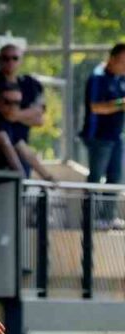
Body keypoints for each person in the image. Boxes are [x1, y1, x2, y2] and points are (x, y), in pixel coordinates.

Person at [0, 83, 55, 180]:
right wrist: (21, 179)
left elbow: (22, 147)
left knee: (24, 165)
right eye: (7, 102)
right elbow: (5, 143)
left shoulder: (9, 117)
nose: (12, 107)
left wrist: (48, 177)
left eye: (17, 103)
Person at [80, 44, 125, 228]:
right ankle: (90, 220)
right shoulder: (98, 77)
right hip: (98, 137)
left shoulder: (120, 78)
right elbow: (96, 107)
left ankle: (107, 218)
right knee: (96, 177)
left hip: (116, 136)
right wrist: (122, 103)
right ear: (112, 59)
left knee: (116, 176)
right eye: (123, 61)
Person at [0, 44, 44, 145]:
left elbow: (39, 119)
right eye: (6, 58)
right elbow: (0, 116)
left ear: (21, 60)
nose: (10, 62)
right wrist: (26, 114)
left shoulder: (30, 84)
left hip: (23, 142)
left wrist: (15, 116)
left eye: (15, 58)